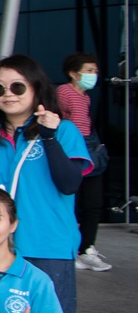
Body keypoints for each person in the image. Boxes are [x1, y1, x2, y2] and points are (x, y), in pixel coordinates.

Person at [0, 54, 91, 313]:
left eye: (17, 86)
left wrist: (49, 137)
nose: (8, 94)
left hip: (48, 250)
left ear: (36, 88)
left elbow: (69, 184)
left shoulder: (63, 131)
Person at [57, 52, 110, 272]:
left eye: (95, 71)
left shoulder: (85, 97)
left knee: (93, 203)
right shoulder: (64, 92)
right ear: (73, 73)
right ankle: (71, 249)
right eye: (88, 70)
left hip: (89, 148)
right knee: (72, 201)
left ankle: (87, 248)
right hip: (72, 150)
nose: (93, 75)